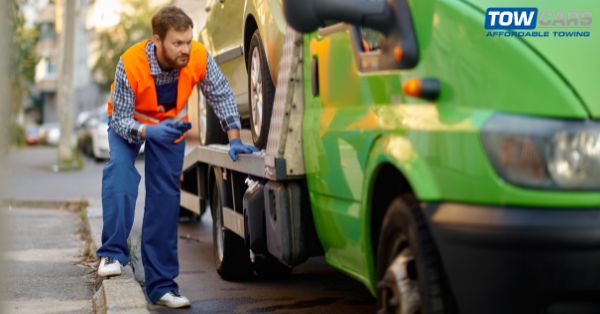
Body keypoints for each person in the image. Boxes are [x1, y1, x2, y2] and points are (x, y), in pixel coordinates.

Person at [95, 6, 257, 308]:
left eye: (188, 41)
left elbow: (220, 92)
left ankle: (162, 286)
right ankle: (112, 253)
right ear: (157, 40)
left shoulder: (196, 55)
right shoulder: (130, 63)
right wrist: (146, 132)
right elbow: (119, 120)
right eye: (177, 43)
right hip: (130, 125)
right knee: (120, 173)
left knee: (165, 200)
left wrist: (234, 136)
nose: (185, 49)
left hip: (170, 131)